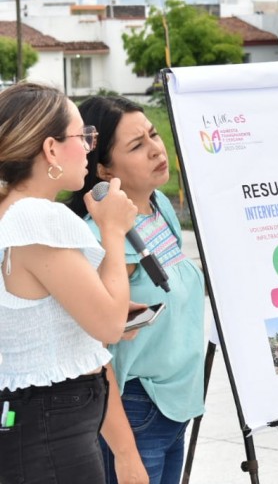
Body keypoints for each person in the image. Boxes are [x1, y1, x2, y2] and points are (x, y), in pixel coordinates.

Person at [0, 82, 136, 483]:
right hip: (51, 431)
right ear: (51, 149)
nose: (90, 147)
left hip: (33, 424)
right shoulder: (38, 218)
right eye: (82, 136)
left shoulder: (12, 213)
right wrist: (112, 229)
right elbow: (109, 325)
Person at [67, 96, 205, 484]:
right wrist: (125, 453)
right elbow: (93, 352)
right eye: (136, 145)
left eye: (153, 134)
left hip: (174, 408)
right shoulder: (102, 239)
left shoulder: (157, 207)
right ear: (104, 167)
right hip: (136, 409)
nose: (156, 149)